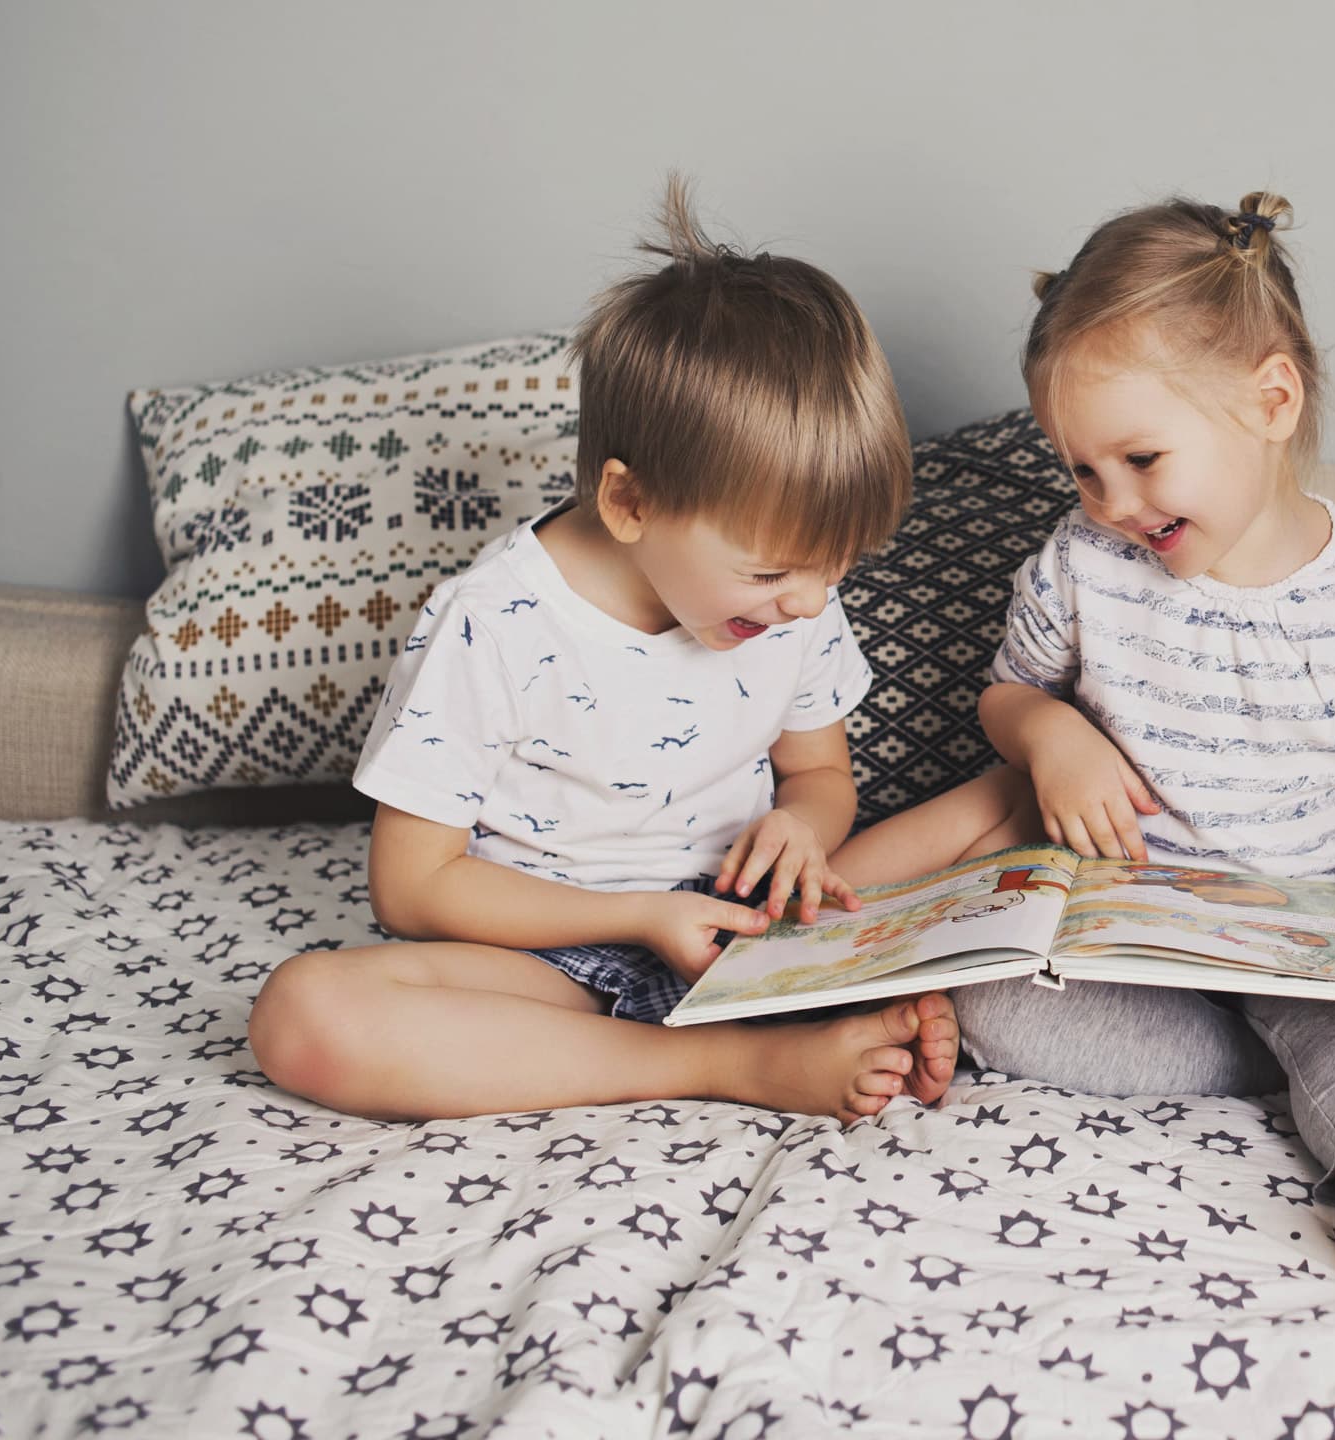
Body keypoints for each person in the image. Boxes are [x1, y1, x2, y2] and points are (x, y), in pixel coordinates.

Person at [840, 192, 1335, 1287]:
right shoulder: (1082, 563)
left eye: (1143, 459)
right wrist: (1051, 733)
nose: (1111, 502)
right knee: (990, 999)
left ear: (1272, 399)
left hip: (1299, 934)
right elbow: (1006, 699)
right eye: (1082, 470)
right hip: (1125, 921)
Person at [247, 180, 962, 1125]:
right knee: (304, 1013)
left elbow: (819, 772)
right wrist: (640, 920)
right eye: (773, 574)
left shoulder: (794, 598)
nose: (812, 602)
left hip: (749, 925)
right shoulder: (493, 623)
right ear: (630, 504)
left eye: (837, 568)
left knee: (1012, 797)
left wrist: (805, 827)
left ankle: (833, 995)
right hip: (557, 950)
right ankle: (730, 1064)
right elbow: (412, 888)